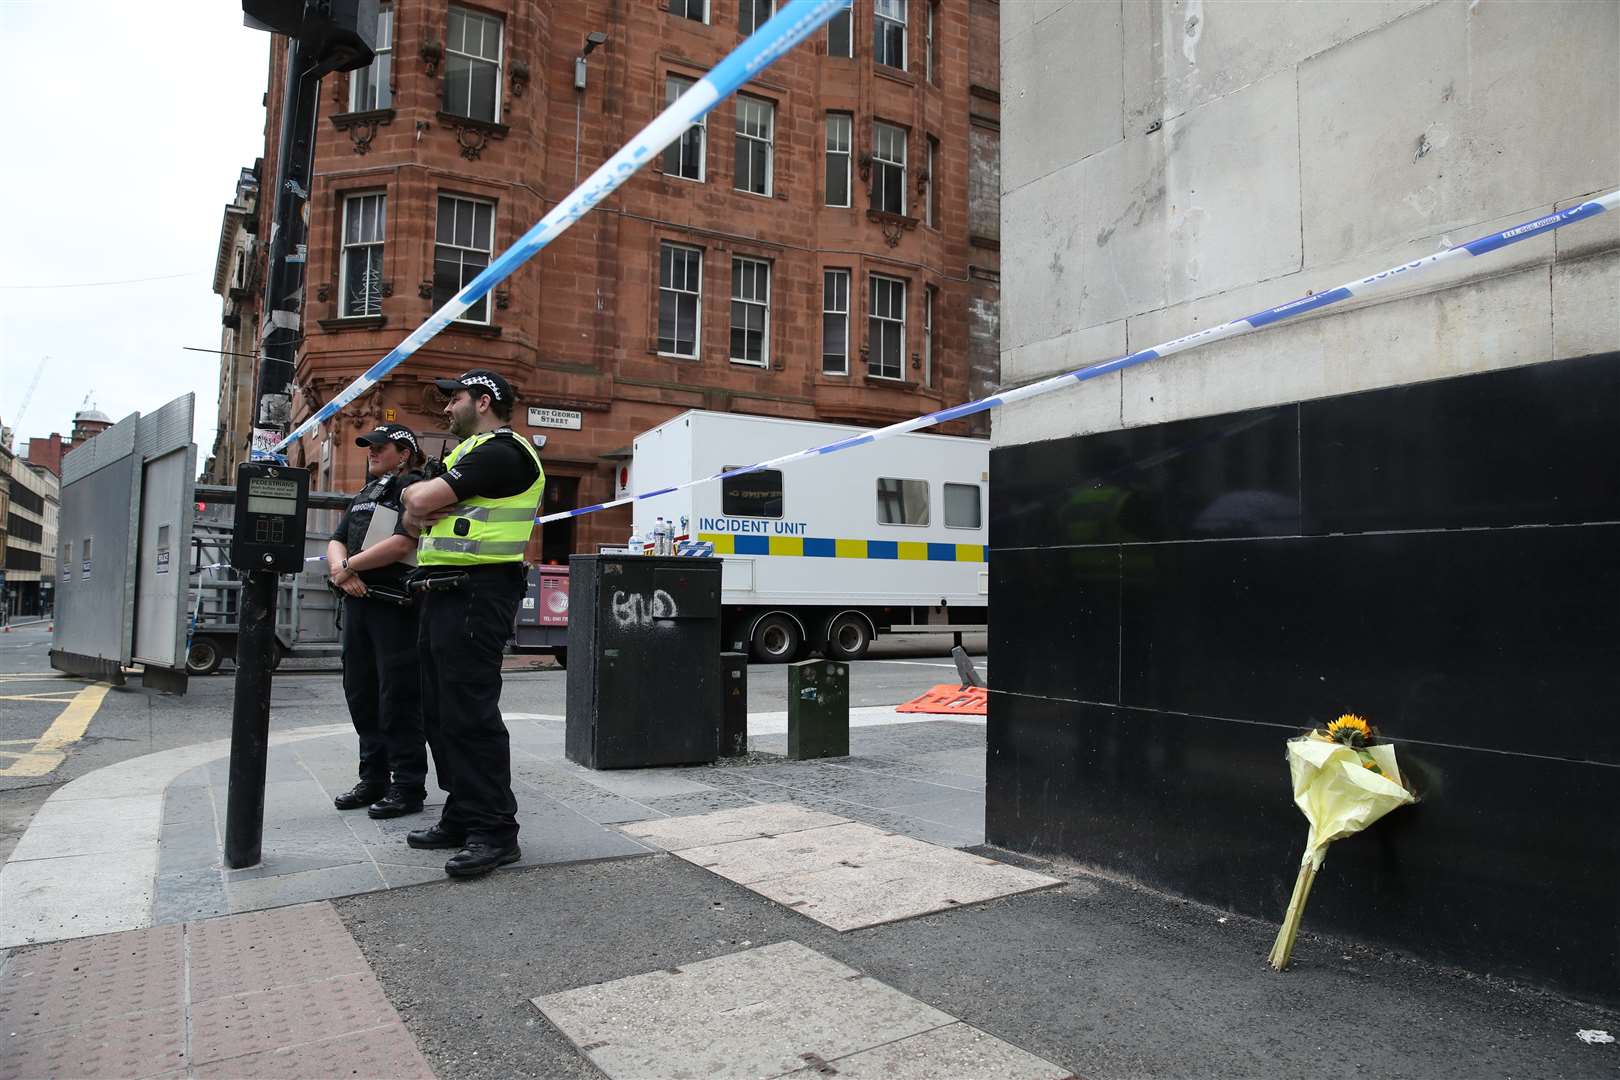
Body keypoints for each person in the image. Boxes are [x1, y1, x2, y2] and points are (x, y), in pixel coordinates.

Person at [400, 369, 544, 877]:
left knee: (469, 714)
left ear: (483, 402)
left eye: (454, 398)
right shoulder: (464, 454)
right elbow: (410, 518)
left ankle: (494, 830)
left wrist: (424, 502)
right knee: (439, 713)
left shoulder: (503, 451)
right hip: (443, 591)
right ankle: (462, 813)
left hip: (477, 592)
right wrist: (420, 503)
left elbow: (418, 502)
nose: (445, 408)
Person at [327, 422, 430, 818]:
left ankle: (407, 786)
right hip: (358, 603)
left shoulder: (414, 489)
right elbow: (337, 538)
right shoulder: (367, 491)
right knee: (361, 693)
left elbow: (405, 541)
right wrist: (343, 572)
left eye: (380, 447)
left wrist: (348, 568)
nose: (371, 452)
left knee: (398, 698)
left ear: (404, 452)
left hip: (395, 606)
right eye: (369, 446)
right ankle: (373, 778)